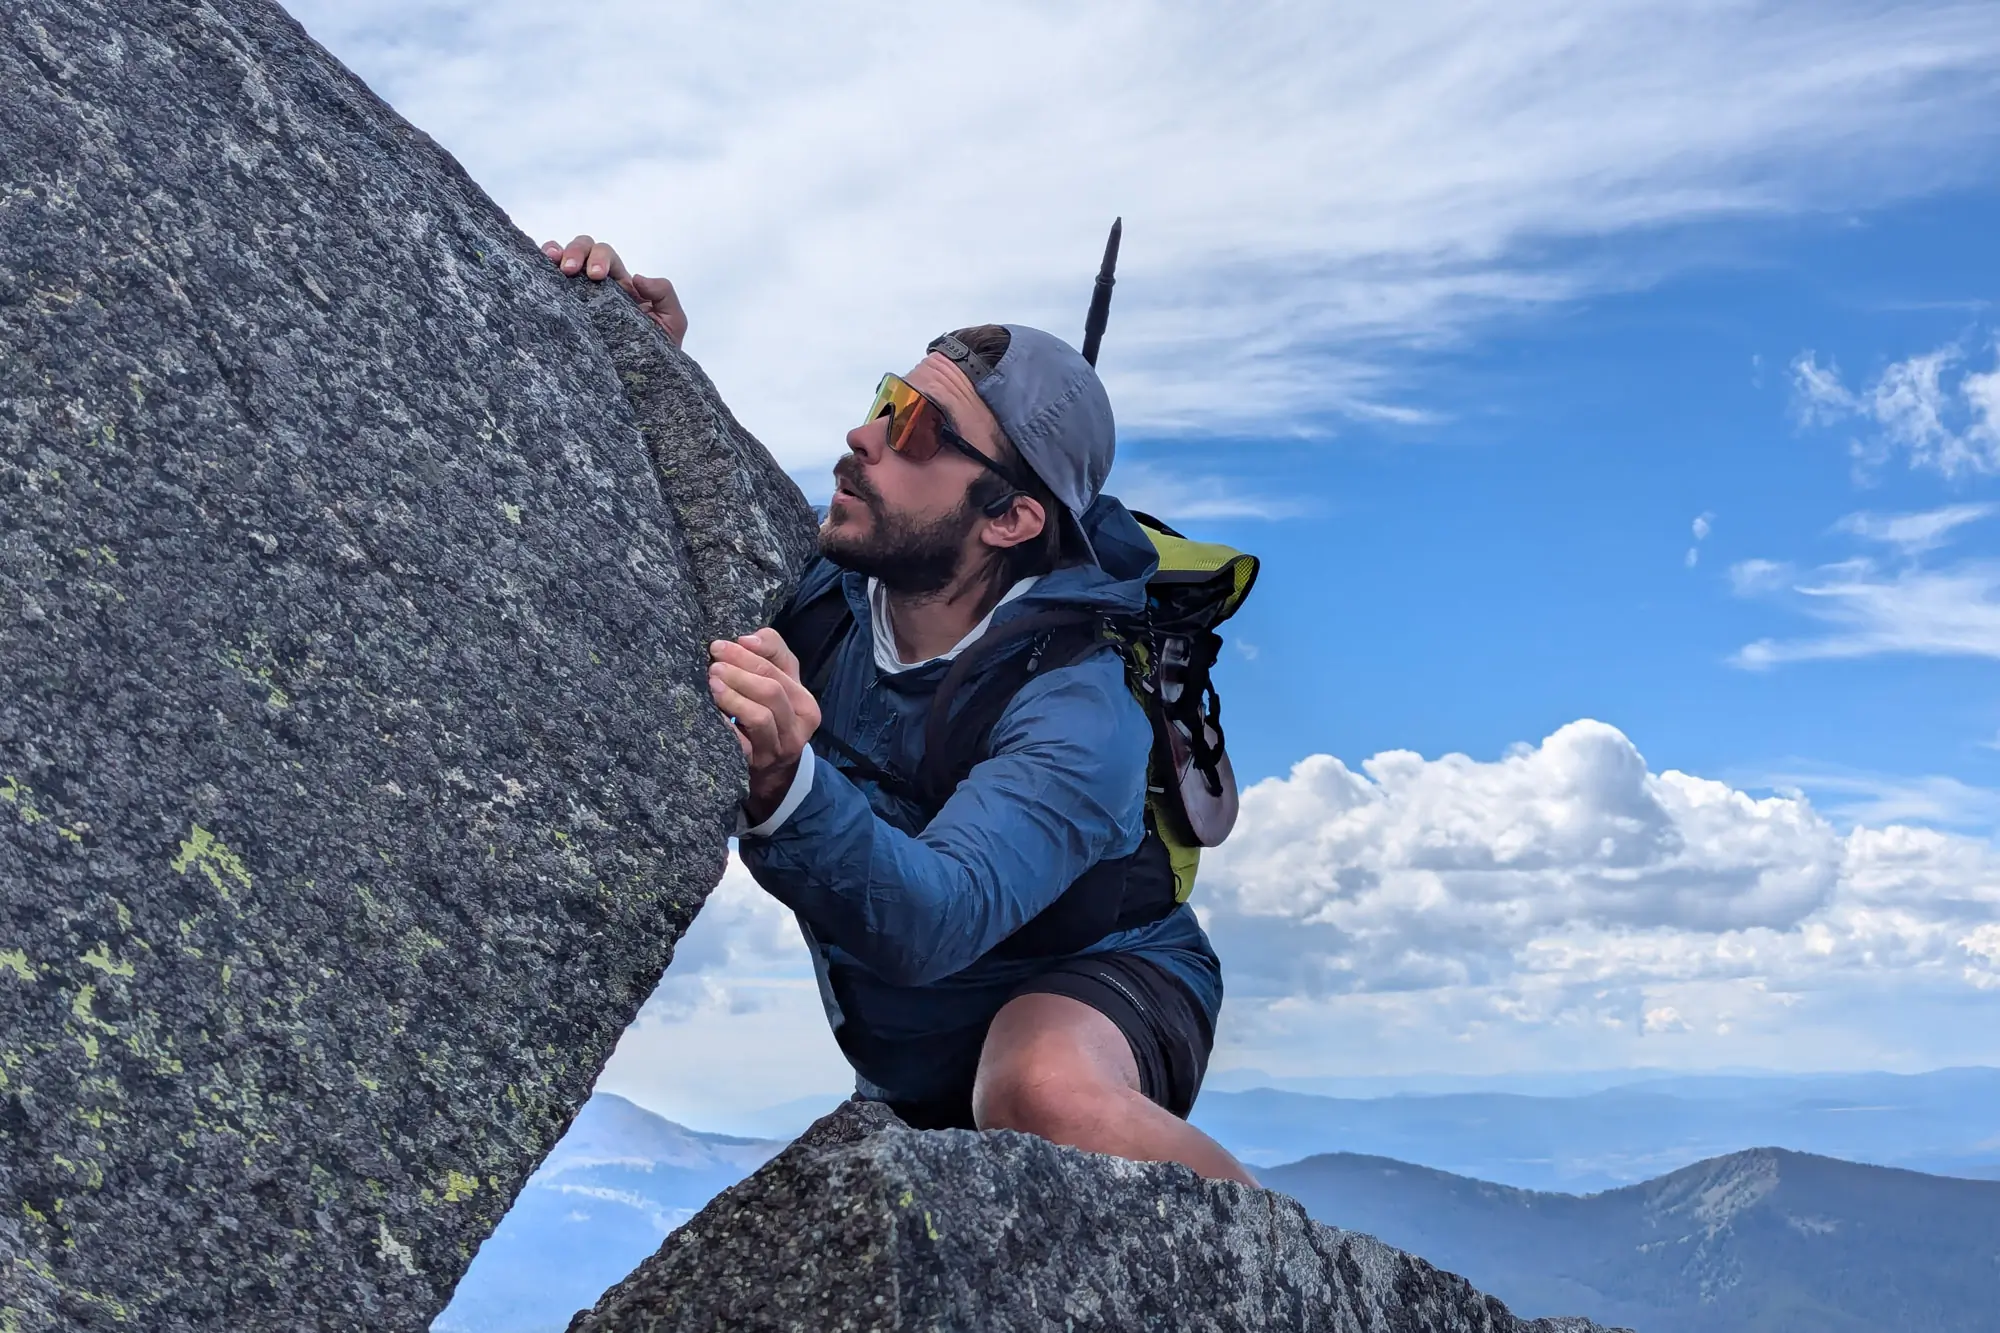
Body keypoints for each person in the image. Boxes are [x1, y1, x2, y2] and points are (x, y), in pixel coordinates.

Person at [545, 236, 1254, 1186]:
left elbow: (935, 916)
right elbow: (713, 507)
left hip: (1101, 986)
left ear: (1010, 519)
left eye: (917, 427)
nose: (864, 434)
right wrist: (645, 364)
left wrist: (787, 786)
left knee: (1039, 1090)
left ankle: (1299, 1278)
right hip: (914, 1053)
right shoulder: (831, 591)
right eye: (888, 399)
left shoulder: (1081, 714)